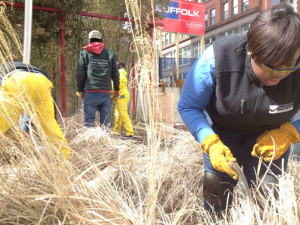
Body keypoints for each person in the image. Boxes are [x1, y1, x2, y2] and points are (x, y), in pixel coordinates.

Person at [178, 3, 300, 214]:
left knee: (269, 195)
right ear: (251, 51)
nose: (280, 75)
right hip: (222, 136)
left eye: (290, 65)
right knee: (217, 189)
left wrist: (291, 132)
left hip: (272, 139)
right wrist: (209, 140)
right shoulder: (217, 58)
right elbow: (189, 106)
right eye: (271, 66)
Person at [0, 62, 71, 160]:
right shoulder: (9, 64)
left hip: (17, 79)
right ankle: (65, 159)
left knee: (2, 122)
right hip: (41, 81)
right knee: (49, 124)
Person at [76, 30, 120, 128]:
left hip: (90, 91)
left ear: (90, 40)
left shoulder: (84, 52)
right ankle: (105, 142)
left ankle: (90, 142)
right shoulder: (109, 53)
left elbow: (80, 72)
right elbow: (115, 73)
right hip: (105, 92)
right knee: (105, 123)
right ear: (101, 39)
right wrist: (117, 89)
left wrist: (80, 90)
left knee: (89, 122)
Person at [112, 62, 134, 138]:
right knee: (118, 114)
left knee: (123, 114)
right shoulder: (121, 75)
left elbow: (113, 87)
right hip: (121, 96)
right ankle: (116, 131)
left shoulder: (120, 76)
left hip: (122, 96)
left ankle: (130, 132)